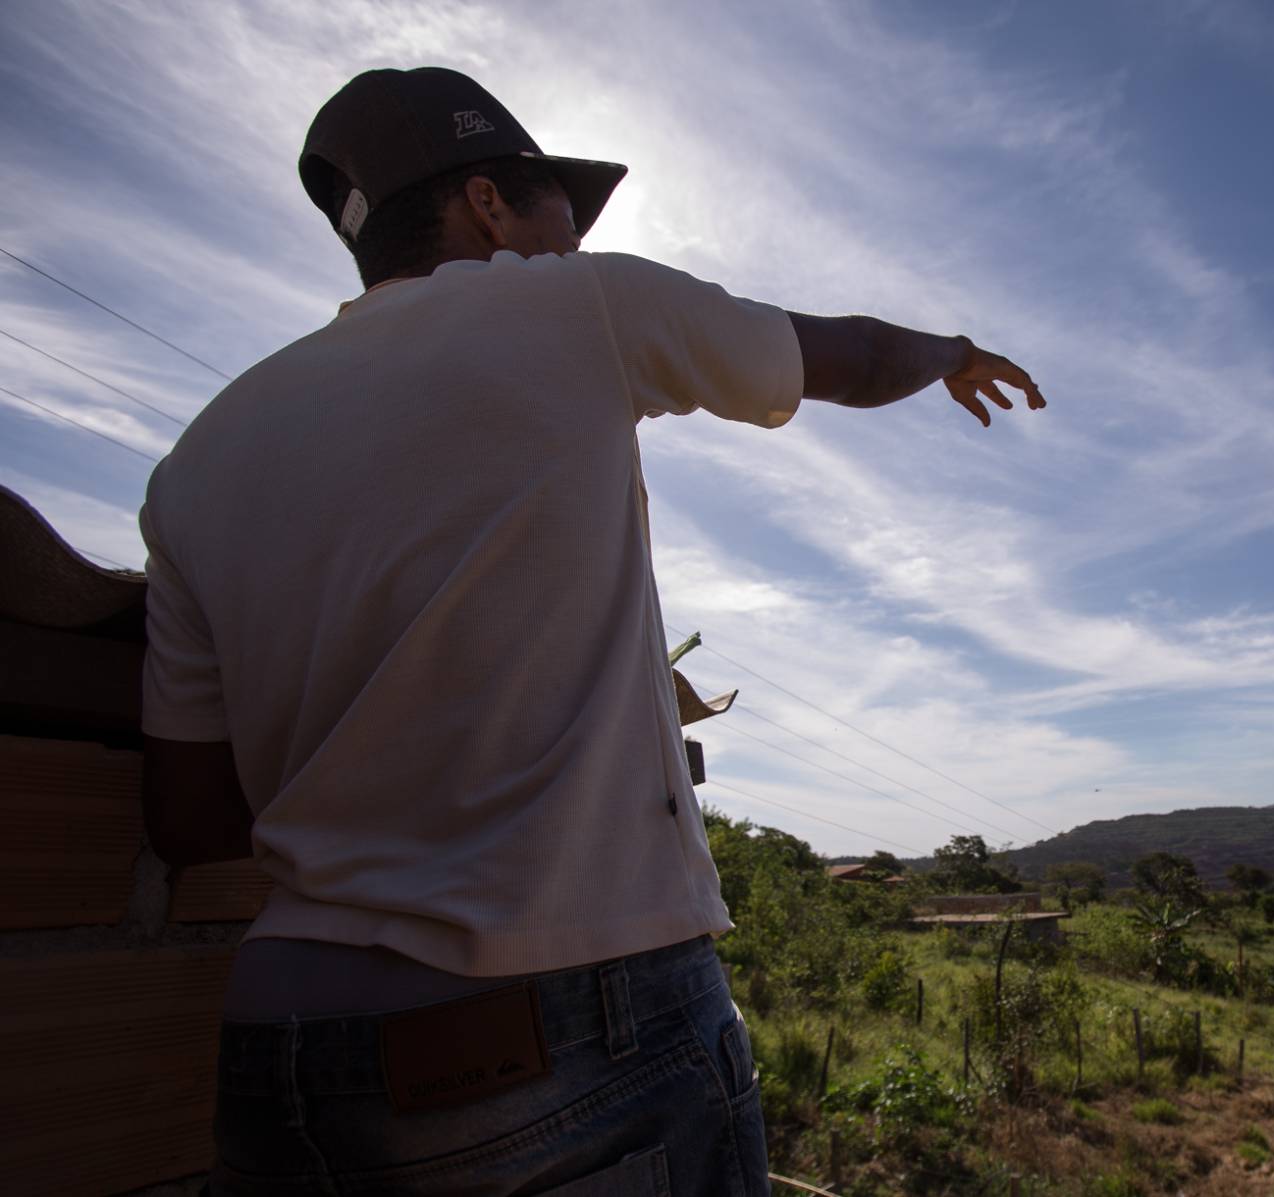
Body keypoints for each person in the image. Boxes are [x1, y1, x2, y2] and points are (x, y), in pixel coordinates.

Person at [137, 66, 1045, 1196]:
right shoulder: (575, 307)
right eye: (555, 201)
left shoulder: (197, 461)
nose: (570, 234)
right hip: (561, 1023)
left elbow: (186, 818)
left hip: (283, 1055)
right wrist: (952, 348)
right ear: (484, 203)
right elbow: (849, 358)